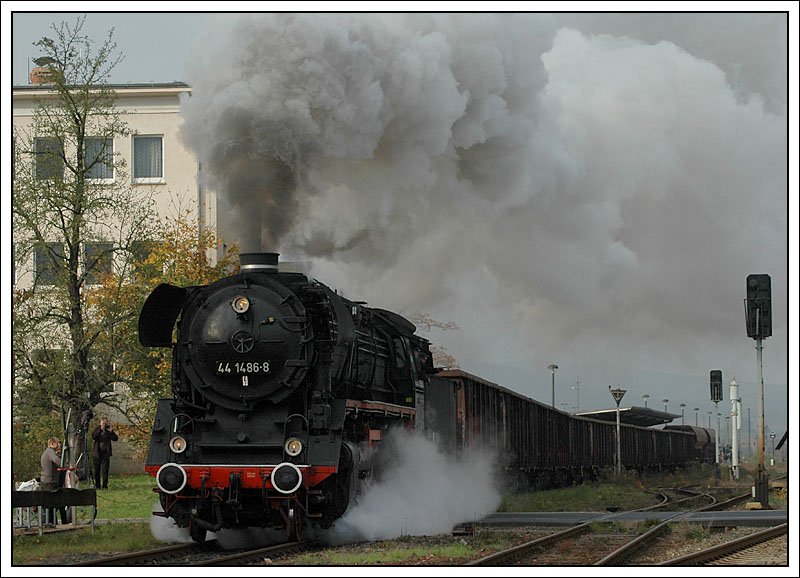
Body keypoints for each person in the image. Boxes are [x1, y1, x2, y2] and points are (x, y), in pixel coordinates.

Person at [40, 437, 67, 526]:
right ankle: (57, 523)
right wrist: (63, 464)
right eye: (57, 443)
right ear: (52, 444)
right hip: (50, 482)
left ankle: (55, 522)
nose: (59, 445)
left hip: (46, 481)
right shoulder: (50, 451)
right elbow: (56, 460)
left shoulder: (47, 452)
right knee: (57, 503)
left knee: (54, 504)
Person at [91, 417, 118, 489]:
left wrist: (111, 432)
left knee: (105, 470)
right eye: (103, 423)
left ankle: (105, 486)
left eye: (105, 423)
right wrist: (100, 429)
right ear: (100, 423)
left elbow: (115, 438)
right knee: (97, 470)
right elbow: (93, 436)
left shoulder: (108, 430)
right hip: (97, 453)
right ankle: (97, 485)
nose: (104, 425)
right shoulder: (97, 429)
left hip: (106, 453)